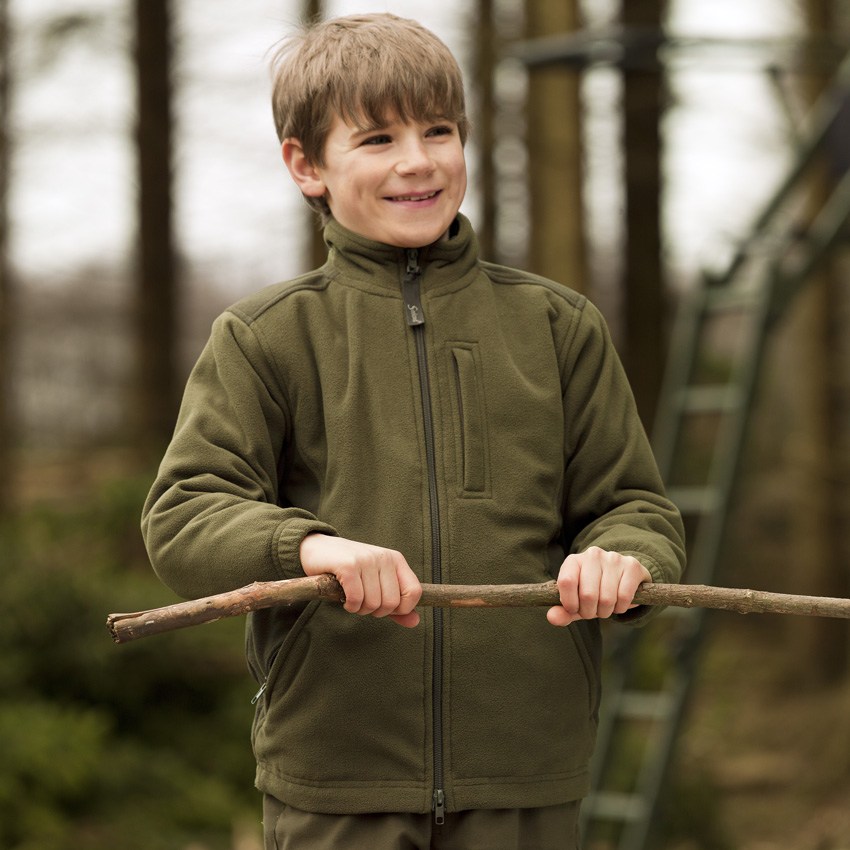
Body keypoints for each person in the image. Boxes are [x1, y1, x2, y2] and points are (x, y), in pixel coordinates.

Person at [141, 12, 685, 850]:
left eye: (439, 129)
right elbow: (186, 512)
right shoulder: (264, 336)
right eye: (378, 138)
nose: (418, 161)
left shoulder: (557, 326)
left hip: (526, 775)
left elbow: (635, 504)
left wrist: (625, 557)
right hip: (337, 778)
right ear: (306, 165)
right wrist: (310, 548)